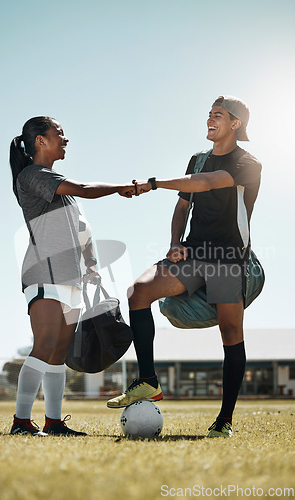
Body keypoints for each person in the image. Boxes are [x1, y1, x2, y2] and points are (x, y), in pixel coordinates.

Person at [107, 96, 262, 438]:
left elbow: (205, 184)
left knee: (231, 335)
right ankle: (148, 380)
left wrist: (154, 182)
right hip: (192, 254)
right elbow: (183, 207)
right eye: (209, 114)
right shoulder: (198, 158)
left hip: (227, 259)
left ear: (235, 124)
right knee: (139, 292)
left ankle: (224, 421)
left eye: (218, 115)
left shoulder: (248, 163)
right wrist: (176, 243)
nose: (210, 119)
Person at [9, 116, 136, 436]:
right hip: (43, 273)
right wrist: (121, 187)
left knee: (58, 353)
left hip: (72, 278)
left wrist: (91, 264)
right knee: (45, 344)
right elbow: (86, 189)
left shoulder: (57, 184)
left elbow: (82, 229)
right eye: (59, 134)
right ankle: (21, 422)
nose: (66, 140)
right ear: (40, 140)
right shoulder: (32, 175)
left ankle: (53, 423)